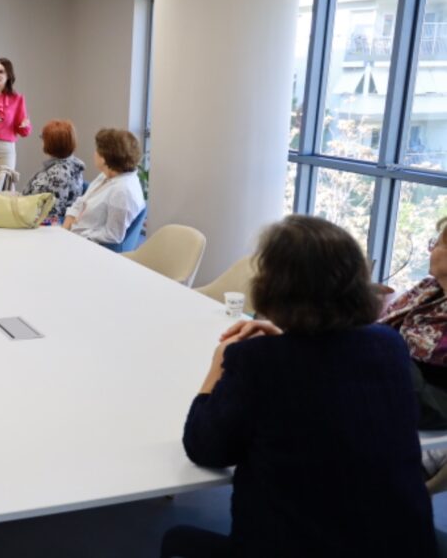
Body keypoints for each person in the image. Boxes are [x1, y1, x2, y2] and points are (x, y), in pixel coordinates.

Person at [162, 215, 435, 558]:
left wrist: (218, 366)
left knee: (176, 541)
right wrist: (286, 342)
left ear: (273, 287)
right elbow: (325, 379)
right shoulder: (389, 346)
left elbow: (205, 448)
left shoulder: (257, 362)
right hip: (402, 547)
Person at [381, 216, 447, 431]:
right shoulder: (429, 289)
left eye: (435, 244)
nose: (431, 251)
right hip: (400, 387)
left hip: (435, 405)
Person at [62, 128, 144, 245]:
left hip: (87, 245)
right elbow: (81, 201)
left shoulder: (122, 191)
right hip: (73, 234)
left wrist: (76, 235)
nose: (94, 153)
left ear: (105, 158)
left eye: (97, 150)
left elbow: (113, 235)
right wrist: (65, 229)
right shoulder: (106, 174)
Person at [22, 119, 86, 224]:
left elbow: (53, 213)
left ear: (52, 144)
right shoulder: (68, 163)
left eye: (43, 138)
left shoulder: (60, 173)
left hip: (48, 226)